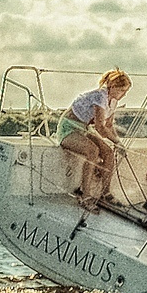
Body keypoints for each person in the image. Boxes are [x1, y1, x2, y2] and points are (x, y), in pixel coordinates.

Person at [58, 68, 129, 213]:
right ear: (113, 87)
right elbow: (100, 127)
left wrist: (118, 142)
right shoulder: (100, 96)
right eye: (122, 90)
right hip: (69, 128)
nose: (124, 94)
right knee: (93, 151)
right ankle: (85, 196)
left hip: (83, 129)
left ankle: (105, 193)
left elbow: (109, 125)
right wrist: (116, 141)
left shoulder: (112, 101)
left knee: (108, 153)